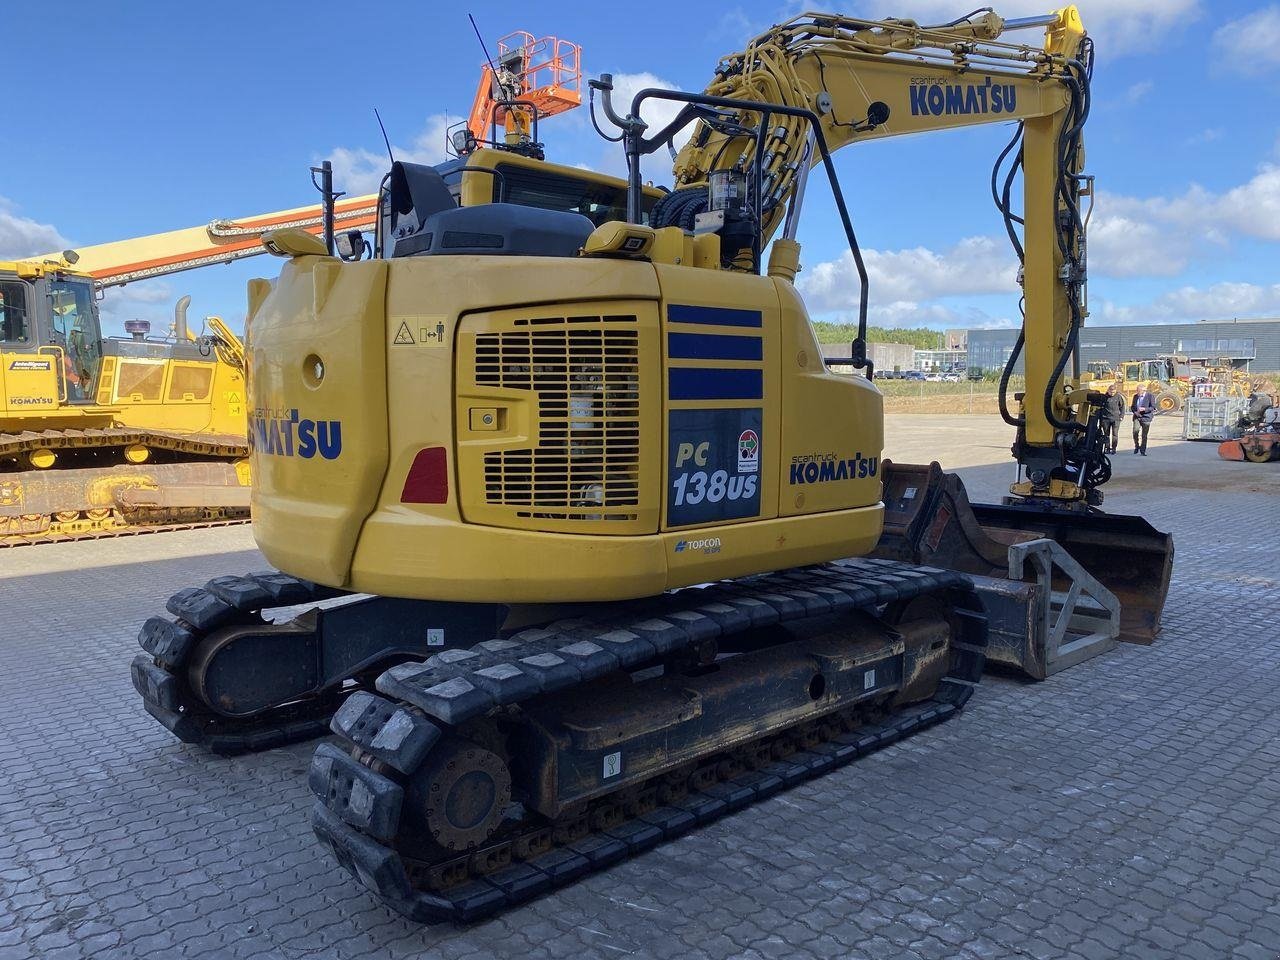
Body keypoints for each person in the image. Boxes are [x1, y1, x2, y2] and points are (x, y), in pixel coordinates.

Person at [1131, 384, 1156, 455]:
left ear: (1144, 391)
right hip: (1137, 416)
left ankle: (1143, 450)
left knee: (1144, 435)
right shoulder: (1135, 396)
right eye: (1137, 390)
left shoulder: (1150, 396)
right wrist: (1135, 412)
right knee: (1135, 431)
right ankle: (1136, 445)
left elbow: (1153, 407)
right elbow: (1132, 407)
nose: (1137, 392)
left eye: (1138, 391)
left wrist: (1144, 409)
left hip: (1146, 417)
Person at [1102, 383, 1124, 453]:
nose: (1112, 393)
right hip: (1106, 419)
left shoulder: (1118, 397)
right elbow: (1100, 408)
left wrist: (1121, 416)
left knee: (1115, 434)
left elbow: (1122, 407)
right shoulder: (1104, 397)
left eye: (1114, 392)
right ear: (1108, 390)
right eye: (1111, 392)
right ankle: (1107, 448)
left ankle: (1114, 448)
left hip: (1116, 419)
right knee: (1106, 434)